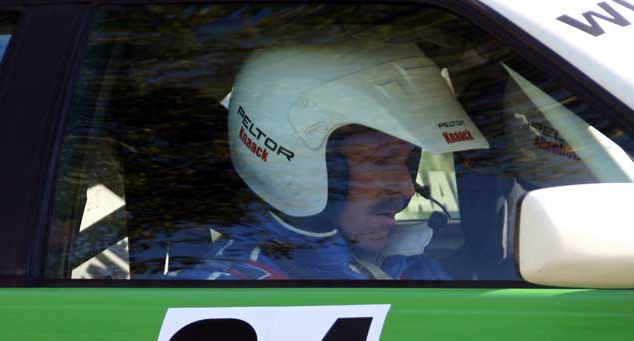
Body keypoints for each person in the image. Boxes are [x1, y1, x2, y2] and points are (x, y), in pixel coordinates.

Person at [175, 41, 488, 280]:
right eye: (381, 161)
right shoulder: (227, 299)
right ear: (294, 165)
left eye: (408, 161)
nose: (406, 188)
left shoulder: (411, 269)